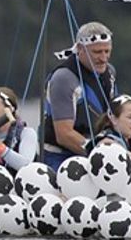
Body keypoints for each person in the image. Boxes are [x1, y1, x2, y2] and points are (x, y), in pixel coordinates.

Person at [42, 21, 119, 171]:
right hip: (60, 157)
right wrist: (102, 154)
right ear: (80, 50)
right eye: (97, 52)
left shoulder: (109, 73)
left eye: (107, 51)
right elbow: (64, 135)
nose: (104, 58)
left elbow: (116, 118)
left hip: (95, 150)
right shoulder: (64, 78)